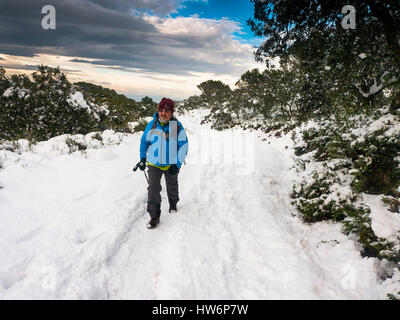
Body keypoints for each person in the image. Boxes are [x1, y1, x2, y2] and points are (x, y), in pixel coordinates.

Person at [135, 97, 189, 229]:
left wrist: (177, 164)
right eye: (161, 110)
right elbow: (144, 142)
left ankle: (173, 204)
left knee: (172, 185)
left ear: (172, 112)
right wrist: (142, 159)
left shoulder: (177, 126)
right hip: (154, 164)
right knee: (153, 189)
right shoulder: (152, 124)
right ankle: (154, 217)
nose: (163, 113)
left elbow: (184, 145)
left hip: (171, 164)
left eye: (166, 111)